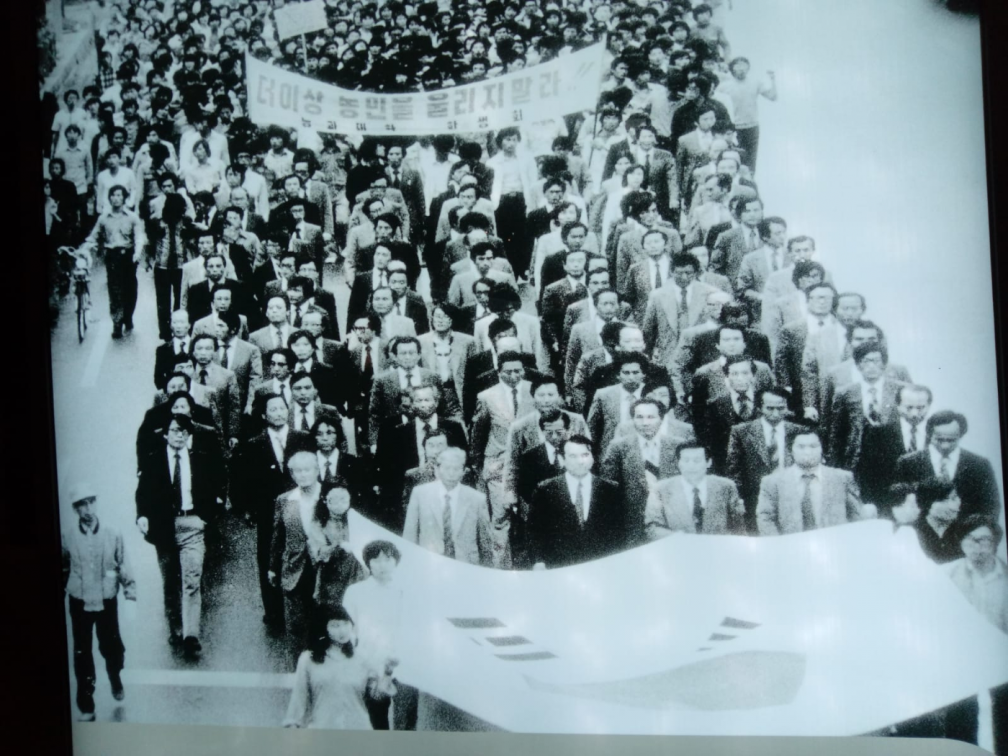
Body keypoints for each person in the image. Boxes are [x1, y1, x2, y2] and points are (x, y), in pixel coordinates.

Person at [135, 415, 225, 659]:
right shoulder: (153, 460)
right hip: (163, 527)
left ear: (189, 435)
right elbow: (142, 493)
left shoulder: (200, 460)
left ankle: (190, 635)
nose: (179, 435)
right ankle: (175, 628)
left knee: (192, 580)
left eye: (184, 431)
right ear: (166, 434)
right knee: (170, 583)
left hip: (192, 524)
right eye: (175, 430)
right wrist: (142, 516)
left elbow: (216, 487)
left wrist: (206, 518)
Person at [234, 394, 310, 630]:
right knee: (269, 556)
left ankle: (303, 607)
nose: (278, 413)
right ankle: (273, 612)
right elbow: (243, 479)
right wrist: (247, 509)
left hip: (300, 506)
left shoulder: (302, 438)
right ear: (264, 415)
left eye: (281, 408)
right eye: (272, 409)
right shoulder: (254, 444)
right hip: (268, 511)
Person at [62, 483, 136, 721]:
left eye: (91, 502)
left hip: (106, 599)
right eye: (82, 504)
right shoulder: (67, 536)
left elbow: (122, 564)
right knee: (82, 653)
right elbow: (63, 568)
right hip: (79, 601)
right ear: (75, 509)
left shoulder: (112, 533)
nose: (88, 508)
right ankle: (86, 705)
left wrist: (130, 594)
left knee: (112, 647)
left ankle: (115, 677)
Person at [941, 516, 1008, 753]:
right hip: (962, 655)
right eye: (970, 539)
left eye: (984, 540)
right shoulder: (947, 575)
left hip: (1001, 655)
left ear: (995, 543)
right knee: (960, 717)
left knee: (1005, 716)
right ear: (961, 542)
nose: (977, 547)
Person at [283, 605, 397, 729]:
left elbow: (376, 697)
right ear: (323, 628)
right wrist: (293, 726)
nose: (342, 630)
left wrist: (387, 672)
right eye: (335, 626)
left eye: (345, 623)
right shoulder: (308, 659)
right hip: (322, 731)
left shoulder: (362, 658)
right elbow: (298, 699)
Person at [342, 540, 415, 730]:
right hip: (371, 666)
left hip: (404, 666)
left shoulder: (407, 591)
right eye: (377, 560)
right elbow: (348, 633)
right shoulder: (355, 592)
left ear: (396, 562)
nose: (383, 565)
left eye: (388, 559)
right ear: (368, 563)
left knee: (406, 725)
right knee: (376, 722)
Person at [528, 435, 624, 568]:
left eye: (585, 455)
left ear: (593, 458)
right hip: (560, 565)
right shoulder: (545, 490)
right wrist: (539, 561)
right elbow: (535, 531)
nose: (580, 461)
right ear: (562, 459)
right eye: (573, 456)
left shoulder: (610, 489)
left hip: (601, 564)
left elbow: (620, 531)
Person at [894, 410, 1002, 519]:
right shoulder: (908, 463)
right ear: (929, 434)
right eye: (939, 440)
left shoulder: (979, 465)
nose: (945, 445)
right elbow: (896, 501)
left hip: (967, 529)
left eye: (951, 440)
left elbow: (991, 507)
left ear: (961, 435)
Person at [756, 430, 864, 535]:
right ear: (790, 450)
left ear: (822, 449)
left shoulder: (842, 478)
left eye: (813, 446)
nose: (807, 452)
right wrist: (780, 544)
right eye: (801, 447)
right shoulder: (773, 482)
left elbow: (856, 515)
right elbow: (765, 518)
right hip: (791, 544)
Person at [726, 388, 803, 534]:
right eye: (770, 408)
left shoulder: (798, 431)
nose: (776, 413)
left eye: (781, 408)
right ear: (759, 408)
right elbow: (734, 469)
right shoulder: (741, 432)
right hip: (755, 499)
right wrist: (738, 499)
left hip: (791, 496)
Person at [403, 447, 494, 566]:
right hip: (429, 565)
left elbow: (486, 544)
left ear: (464, 471)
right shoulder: (420, 494)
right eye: (447, 468)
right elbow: (409, 536)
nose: (451, 473)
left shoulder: (477, 499)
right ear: (437, 469)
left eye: (456, 469)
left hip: (466, 566)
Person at [80, 184, 145, 338]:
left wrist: (137, 253)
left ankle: (128, 316)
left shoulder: (132, 217)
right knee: (115, 290)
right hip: (112, 256)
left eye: (119, 195)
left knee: (130, 290)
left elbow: (139, 237)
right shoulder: (103, 218)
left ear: (124, 198)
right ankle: (117, 323)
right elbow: (94, 236)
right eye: (113, 195)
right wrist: (85, 247)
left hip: (128, 256)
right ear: (109, 198)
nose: (116, 198)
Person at [645, 443, 744, 537]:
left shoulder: (726, 487)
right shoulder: (661, 489)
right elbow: (653, 528)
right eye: (686, 460)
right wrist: (685, 540)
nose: (691, 466)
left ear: (708, 462)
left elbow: (739, 529)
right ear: (678, 463)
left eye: (697, 460)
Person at [716, 57, 777, 172]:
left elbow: (773, 97)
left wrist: (772, 80)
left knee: (751, 160)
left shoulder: (755, 83)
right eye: (738, 65)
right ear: (732, 68)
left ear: (748, 68)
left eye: (744, 65)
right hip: (733, 128)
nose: (741, 68)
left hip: (752, 126)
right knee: (734, 158)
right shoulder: (724, 86)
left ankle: (749, 180)